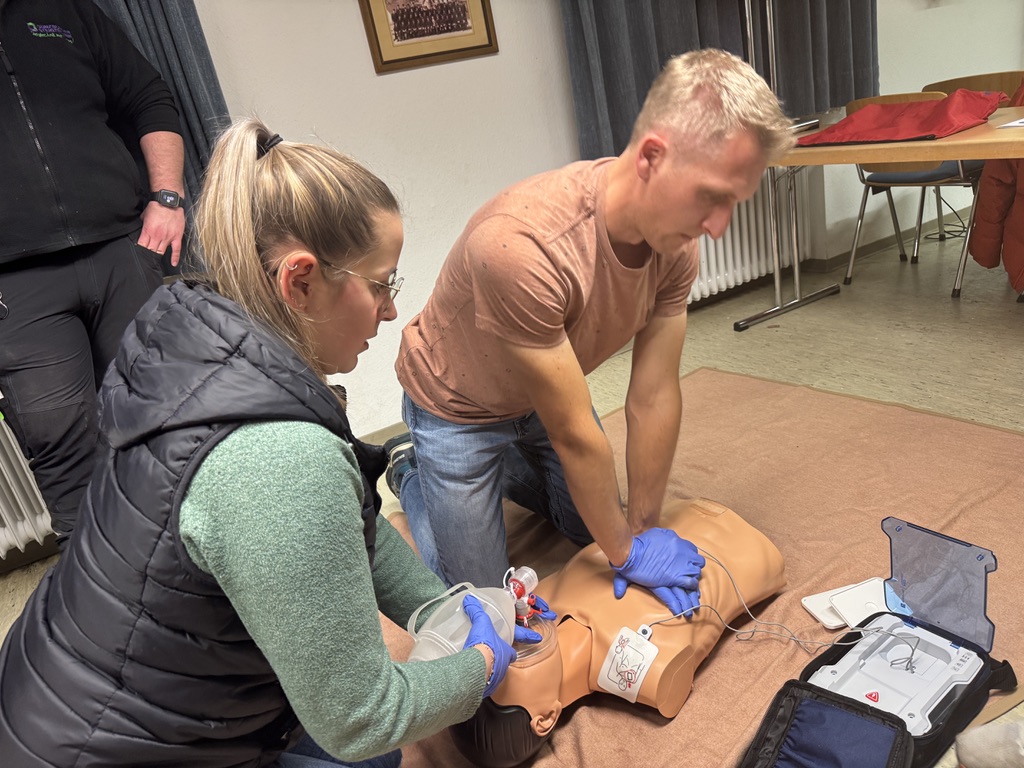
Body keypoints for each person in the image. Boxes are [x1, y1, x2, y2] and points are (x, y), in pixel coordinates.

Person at [0, 119, 532, 767]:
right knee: (373, 752)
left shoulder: (190, 329)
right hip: (96, 749)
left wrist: (443, 605)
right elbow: (362, 720)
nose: (391, 310)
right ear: (300, 281)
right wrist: (483, 664)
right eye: (381, 284)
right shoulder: (278, 458)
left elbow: (341, 521)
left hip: (53, 687)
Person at [389, 49, 794, 614]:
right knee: (482, 605)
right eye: (712, 197)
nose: (718, 227)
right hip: (456, 406)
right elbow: (576, 433)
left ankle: (502, 467)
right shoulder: (521, 246)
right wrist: (624, 553)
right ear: (651, 156)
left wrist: (641, 534)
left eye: (733, 202)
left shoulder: (674, 246)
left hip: (536, 396)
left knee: (593, 530)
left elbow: (654, 395)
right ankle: (412, 471)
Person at [0, 0, 186, 541]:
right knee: (69, 459)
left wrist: (168, 198)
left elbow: (149, 97)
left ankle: (206, 569)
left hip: (122, 252)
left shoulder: (64, 9)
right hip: (16, 290)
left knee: (167, 421)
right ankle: (105, 591)